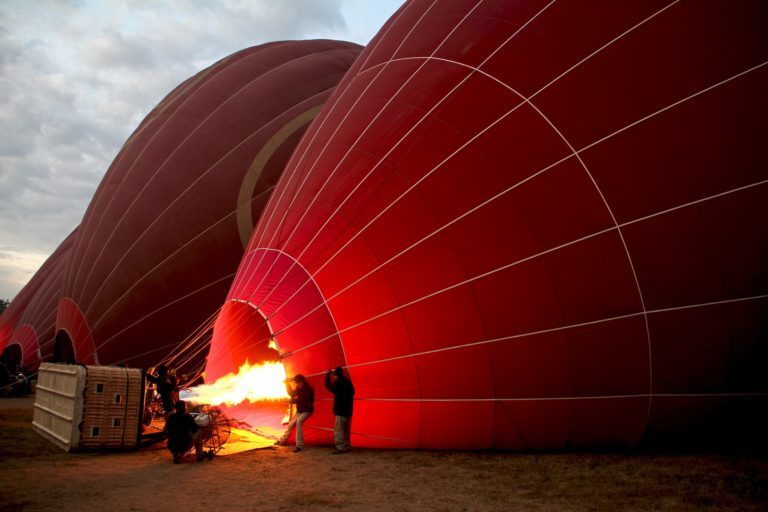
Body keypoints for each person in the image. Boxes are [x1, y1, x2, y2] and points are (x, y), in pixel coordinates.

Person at [276, 374, 314, 452]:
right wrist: (287, 384)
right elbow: (291, 393)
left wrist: (291, 401)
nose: (297, 384)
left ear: (302, 381)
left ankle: (299, 445)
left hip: (307, 410)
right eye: (297, 383)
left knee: (299, 422)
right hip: (300, 410)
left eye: (298, 382)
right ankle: (282, 441)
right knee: (290, 424)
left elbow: (303, 401)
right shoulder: (299, 388)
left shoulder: (308, 389)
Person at [325, 366, 354, 454]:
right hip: (348, 410)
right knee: (346, 431)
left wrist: (327, 376)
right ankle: (347, 446)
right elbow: (353, 392)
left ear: (335, 375)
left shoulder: (337, 383)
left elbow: (328, 386)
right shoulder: (348, 382)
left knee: (339, 430)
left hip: (340, 410)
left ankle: (340, 447)